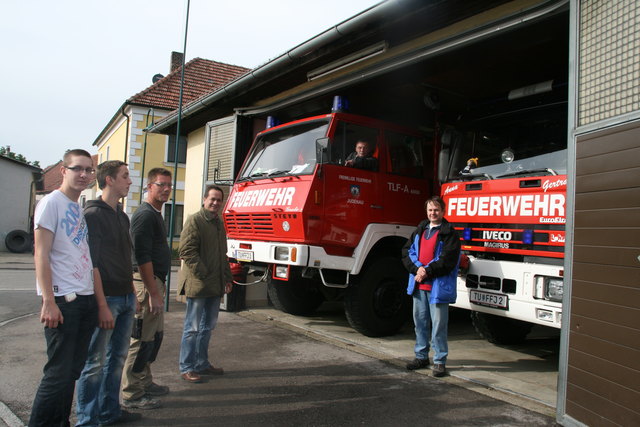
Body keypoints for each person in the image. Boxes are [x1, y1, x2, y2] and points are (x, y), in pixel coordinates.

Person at [29, 149, 98, 427]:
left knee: (72, 371)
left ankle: (59, 422)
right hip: (63, 299)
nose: (83, 174)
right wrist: (48, 300)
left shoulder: (76, 206)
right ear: (63, 171)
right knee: (57, 373)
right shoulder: (51, 203)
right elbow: (41, 254)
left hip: (84, 297)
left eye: (88, 170)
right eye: (77, 169)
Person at [75, 161, 141, 426]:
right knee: (94, 363)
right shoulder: (93, 215)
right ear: (110, 180)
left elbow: (125, 259)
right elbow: (92, 264)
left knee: (117, 360)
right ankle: (88, 420)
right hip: (106, 299)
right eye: (125, 176)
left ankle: (109, 412)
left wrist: (133, 293)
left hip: (125, 296)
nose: (130, 181)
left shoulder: (121, 215)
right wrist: (101, 304)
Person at [121, 168, 172, 409]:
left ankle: (145, 382)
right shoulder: (144, 215)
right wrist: (152, 293)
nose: (166, 189)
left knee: (153, 338)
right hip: (146, 283)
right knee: (141, 340)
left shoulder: (156, 213)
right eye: (161, 184)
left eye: (168, 185)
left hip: (154, 282)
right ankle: (132, 393)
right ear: (149, 187)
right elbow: (140, 257)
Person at [178, 185, 233, 383]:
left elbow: (222, 255)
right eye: (212, 199)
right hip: (199, 285)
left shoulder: (219, 223)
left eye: (219, 200)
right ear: (204, 199)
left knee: (207, 327)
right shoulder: (195, 220)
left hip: (214, 286)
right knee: (192, 328)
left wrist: (227, 278)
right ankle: (187, 367)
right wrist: (205, 273)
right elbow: (186, 251)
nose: (216, 203)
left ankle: (201, 363)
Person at [401, 196, 461, 377]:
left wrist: (426, 271)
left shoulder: (450, 233)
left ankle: (439, 361)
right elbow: (407, 252)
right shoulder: (420, 230)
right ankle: (421, 356)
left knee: (439, 326)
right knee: (420, 324)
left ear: (443, 211)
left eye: (436, 210)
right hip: (419, 287)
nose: (433, 213)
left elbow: (447, 259)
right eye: (430, 210)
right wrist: (417, 269)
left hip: (437, 288)